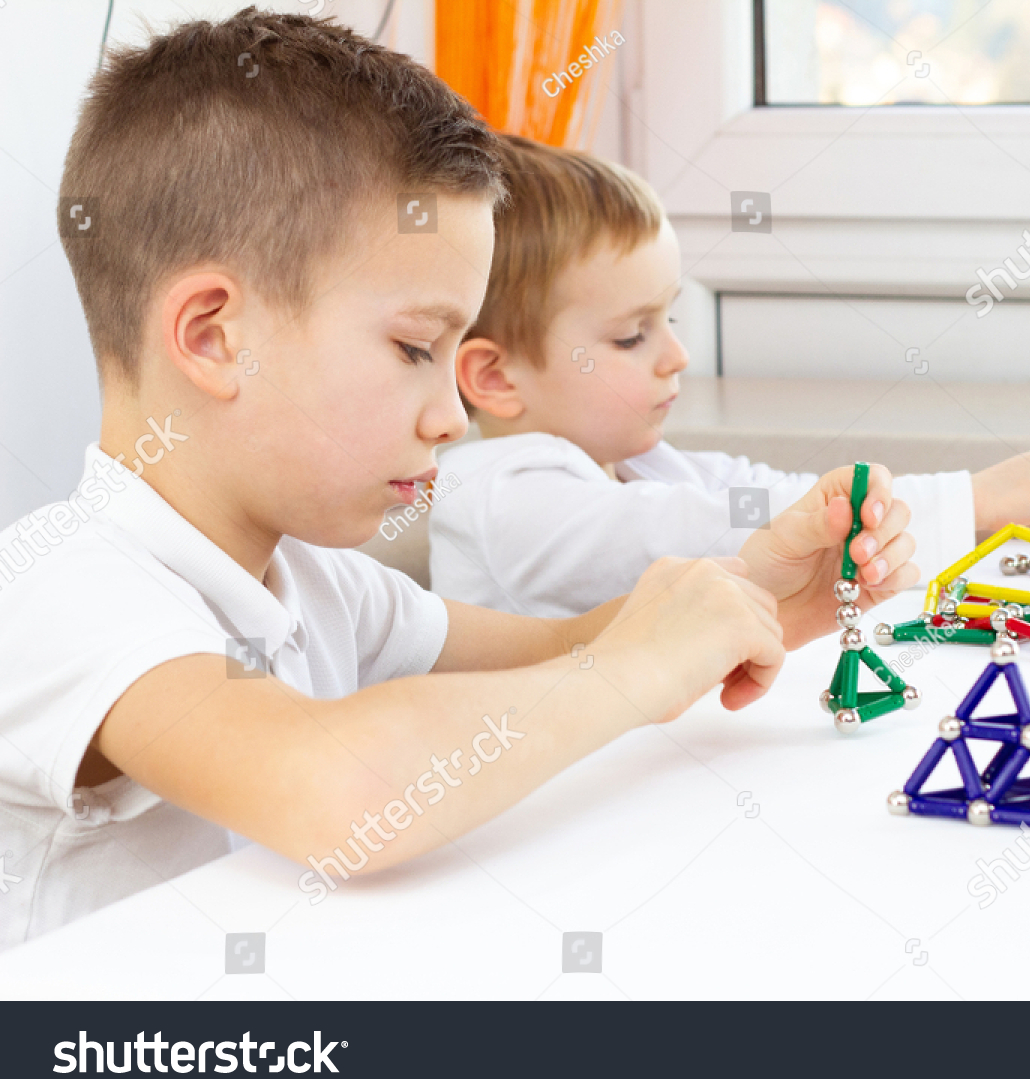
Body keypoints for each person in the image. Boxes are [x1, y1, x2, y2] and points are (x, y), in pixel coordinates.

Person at [0, 10, 915, 950]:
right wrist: (635, 669)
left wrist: (752, 596)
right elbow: (337, 786)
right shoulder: (60, 590)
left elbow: (557, 648)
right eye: (413, 347)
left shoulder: (321, 583)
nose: (452, 415)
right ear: (214, 337)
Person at [429, 136, 1030, 618]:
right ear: (494, 377)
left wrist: (1006, 522)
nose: (676, 356)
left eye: (671, 320)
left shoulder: (635, 464)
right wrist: (983, 493)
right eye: (632, 335)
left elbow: (784, 493)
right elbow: (694, 531)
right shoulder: (497, 490)